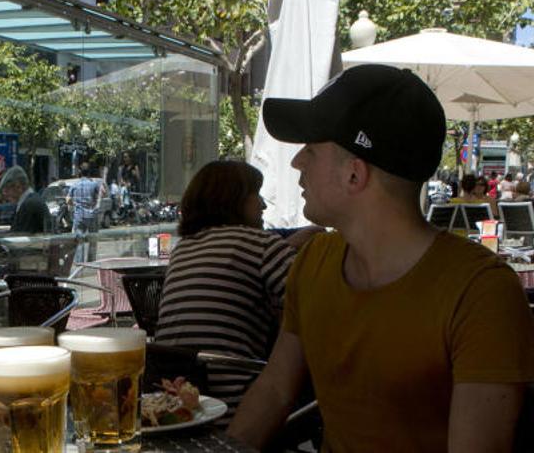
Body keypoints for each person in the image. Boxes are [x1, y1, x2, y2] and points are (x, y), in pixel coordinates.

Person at [227, 64, 534, 452]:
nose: (297, 162)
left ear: (355, 175)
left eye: (312, 149)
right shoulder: (314, 262)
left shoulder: (482, 292)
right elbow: (273, 391)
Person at [155, 160, 318, 423]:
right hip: (235, 407)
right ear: (233, 200)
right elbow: (318, 310)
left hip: (178, 406)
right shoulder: (262, 245)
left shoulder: (183, 249)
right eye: (257, 195)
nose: (264, 205)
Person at [0, 165, 51, 234]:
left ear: (18, 186)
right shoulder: (31, 200)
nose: (5, 195)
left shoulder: (28, 205)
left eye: (7, 189)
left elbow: (19, 237)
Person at [66, 162, 102, 262]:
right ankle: (91, 262)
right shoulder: (94, 184)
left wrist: (74, 204)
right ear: (89, 172)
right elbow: (100, 197)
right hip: (92, 216)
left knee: (79, 240)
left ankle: (80, 264)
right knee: (93, 240)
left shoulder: (75, 185)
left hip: (79, 216)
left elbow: (68, 199)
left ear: (80, 172)